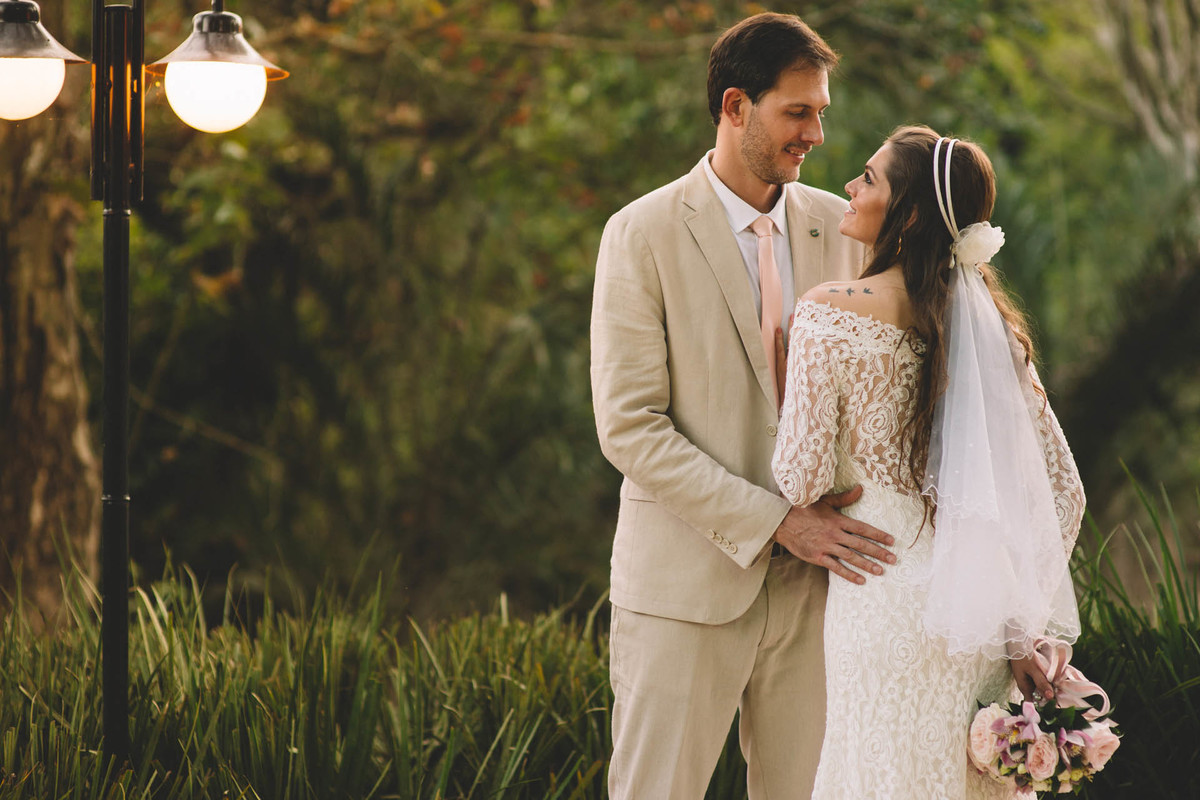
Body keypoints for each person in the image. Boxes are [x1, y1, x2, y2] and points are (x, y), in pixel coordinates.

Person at [591, 12, 899, 799]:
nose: (817, 134)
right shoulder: (640, 234)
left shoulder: (845, 227)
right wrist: (777, 523)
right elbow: (630, 427)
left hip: (823, 594)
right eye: (798, 112)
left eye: (821, 111)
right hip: (684, 590)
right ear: (735, 107)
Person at [771, 125, 1087, 799]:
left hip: (879, 598)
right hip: (974, 623)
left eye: (868, 179)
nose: (850, 189)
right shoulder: (992, 332)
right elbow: (1064, 493)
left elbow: (797, 480)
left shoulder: (828, 315)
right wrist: (1020, 624)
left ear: (909, 214)